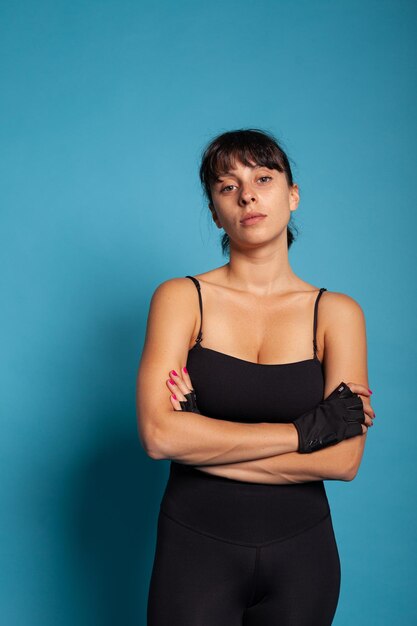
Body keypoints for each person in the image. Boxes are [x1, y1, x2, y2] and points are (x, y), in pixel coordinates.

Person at [136, 128, 375, 626]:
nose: (247, 194)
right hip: (193, 548)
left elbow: (345, 458)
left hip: (304, 557)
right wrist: (303, 432)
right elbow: (160, 436)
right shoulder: (181, 299)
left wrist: (202, 443)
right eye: (227, 186)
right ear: (215, 210)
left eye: (263, 178)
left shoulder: (337, 314)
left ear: (292, 195)